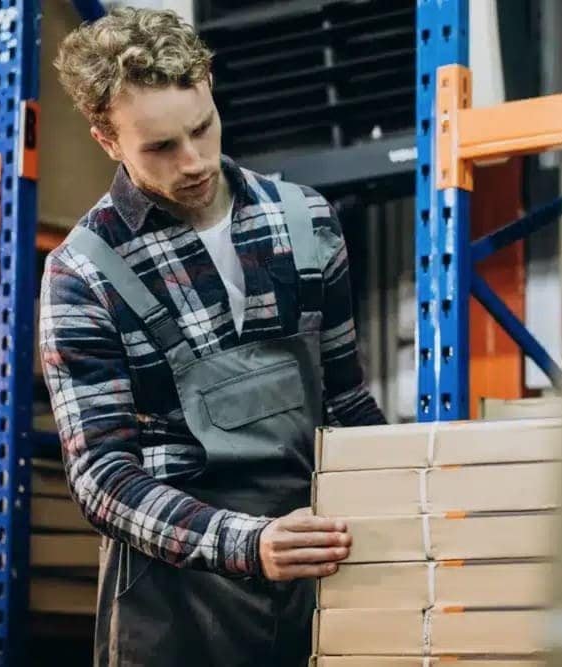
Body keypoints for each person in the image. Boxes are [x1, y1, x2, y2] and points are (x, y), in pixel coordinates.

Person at [39, 8, 386, 666]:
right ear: (107, 141)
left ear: (210, 86)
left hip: (312, 570)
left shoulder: (306, 221)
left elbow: (347, 403)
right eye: (161, 147)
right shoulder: (82, 273)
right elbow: (102, 478)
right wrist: (247, 543)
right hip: (174, 603)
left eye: (201, 128)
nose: (194, 160)